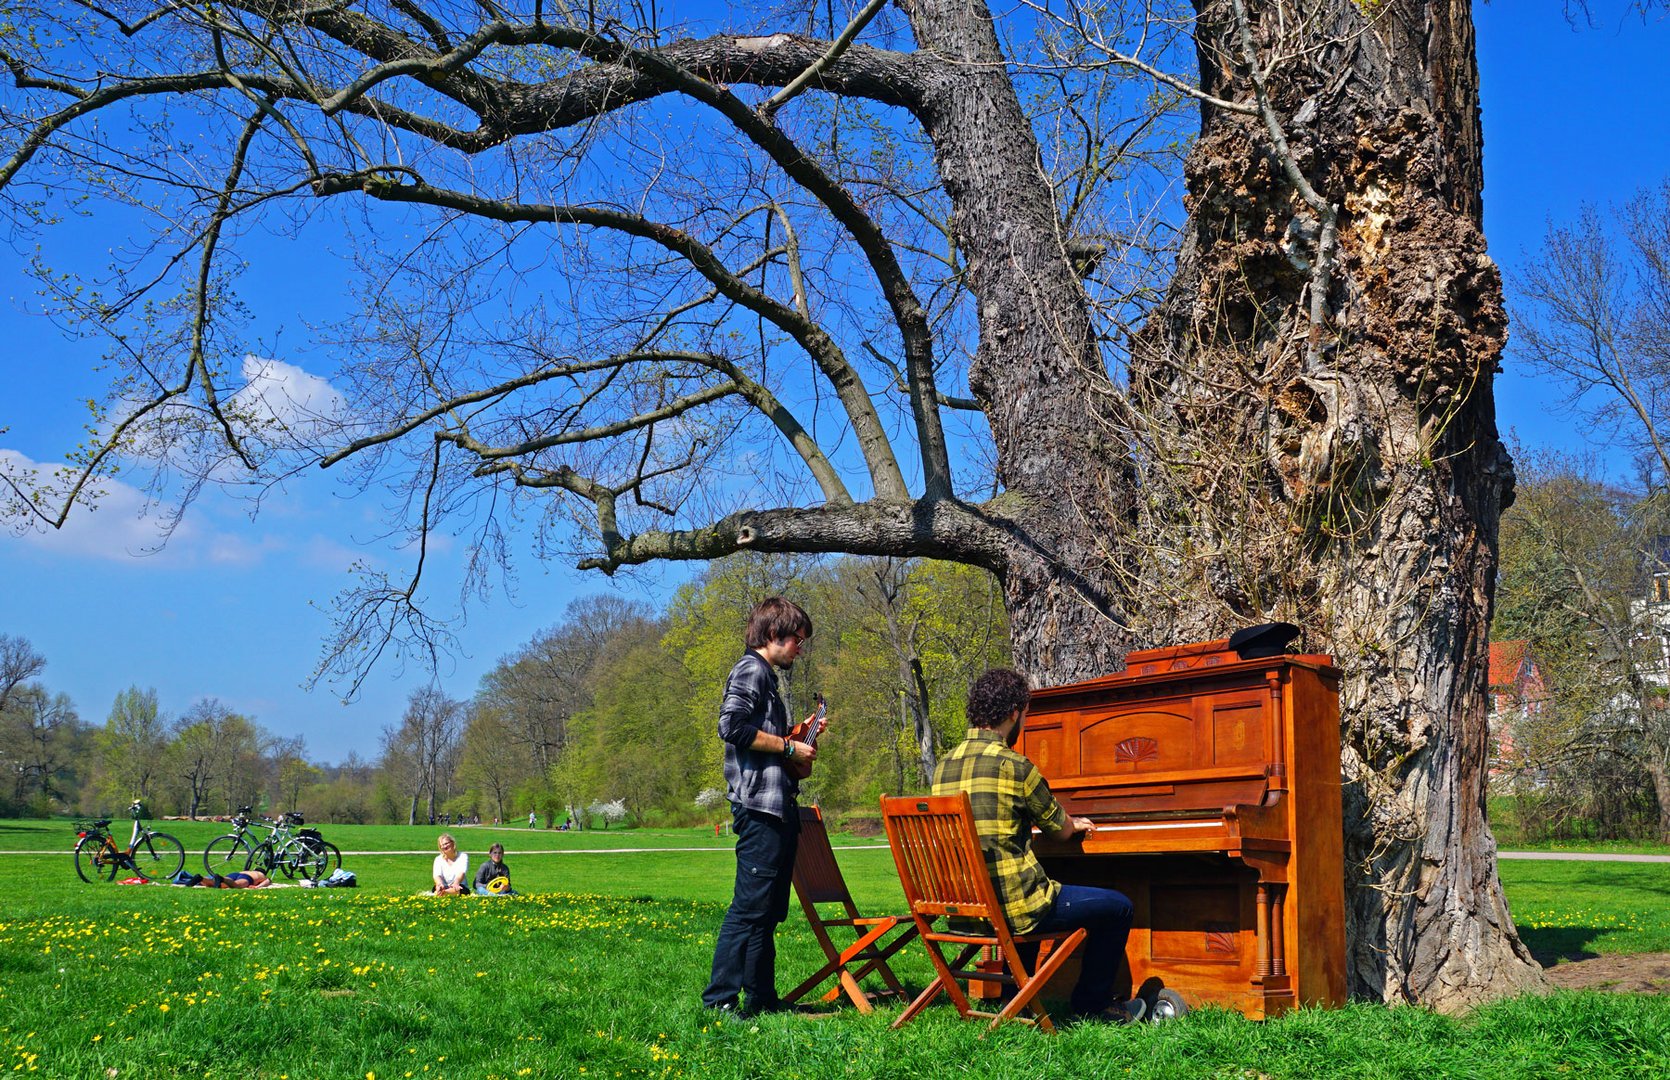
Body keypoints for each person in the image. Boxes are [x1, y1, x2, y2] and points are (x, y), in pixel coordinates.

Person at [932, 667, 1145, 1024]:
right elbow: (1060, 831)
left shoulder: (943, 767)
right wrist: (1073, 822)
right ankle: (1093, 1006)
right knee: (1118, 907)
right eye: (1025, 716)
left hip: (965, 909)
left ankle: (1018, 997)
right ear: (1014, 713)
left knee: (1021, 889)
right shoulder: (1015, 766)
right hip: (1011, 910)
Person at [701, 596, 827, 1016]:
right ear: (773, 635)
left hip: (777, 808)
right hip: (758, 810)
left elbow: (770, 747)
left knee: (768, 912)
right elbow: (732, 726)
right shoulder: (750, 669)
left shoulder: (766, 677)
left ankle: (761, 998)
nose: (799, 648)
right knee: (749, 907)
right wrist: (790, 744)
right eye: (797, 639)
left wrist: (801, 738)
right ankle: (719, 1000)